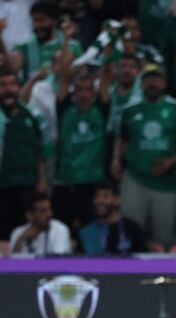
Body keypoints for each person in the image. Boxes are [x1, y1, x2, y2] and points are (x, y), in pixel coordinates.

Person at [112, 63, 176, 248]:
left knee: (163, 235)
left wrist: (172, 161)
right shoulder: (131, 110)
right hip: (134, 177)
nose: (152, 84)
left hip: (165, 181)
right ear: (141, 85)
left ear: (164, 83)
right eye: (148, 80)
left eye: (156, 80)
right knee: (131, 230)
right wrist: (116, 160)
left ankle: (163, 272)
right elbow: (122, 139)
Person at [52, 61, 112, 234]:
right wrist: (67, 38)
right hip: (65, 182)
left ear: (94, 93)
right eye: (79, 89)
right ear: (73, 92)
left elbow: (107, 76)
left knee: (92, 235)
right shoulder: (64, 109)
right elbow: (63, 77)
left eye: (88, 90)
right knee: (62, 233)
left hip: (93, 183)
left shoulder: (101, 110)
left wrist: (107, 51)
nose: (83, 94)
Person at [0, 66, 46, 241]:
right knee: (3, 237)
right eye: (2, 85)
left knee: (28, 236)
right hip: (3, 187)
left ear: (19, 88)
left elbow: (39, 150)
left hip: (29, 187)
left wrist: (42, 179)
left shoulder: (29, 115)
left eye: (12, 84)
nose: (8, 89)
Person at [7, 1, 83, 82]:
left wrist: (67, 39)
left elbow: (81, 74)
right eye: (34, 20)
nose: (36, 25)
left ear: (54, 21)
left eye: (41, 20)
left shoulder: (72, 45)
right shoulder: (25, 45)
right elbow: (12, 69)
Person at [78, 184, 148, 255]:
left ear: (117, 200)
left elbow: (143, 259)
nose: (100, 200)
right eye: (97, 196)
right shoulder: (86, 232)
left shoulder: (133, 228)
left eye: (105, 196)